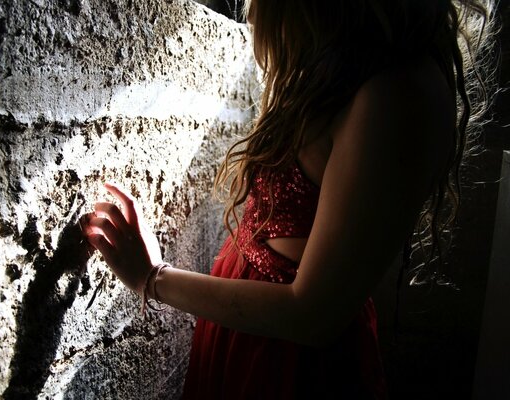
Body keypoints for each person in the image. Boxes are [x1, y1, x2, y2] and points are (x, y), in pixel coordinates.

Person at [82, 0, 493, 398]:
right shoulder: (342, 57)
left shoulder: (400, 92)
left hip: (291, 365)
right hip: (246, 337)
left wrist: (152, 278)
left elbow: (313, 314)